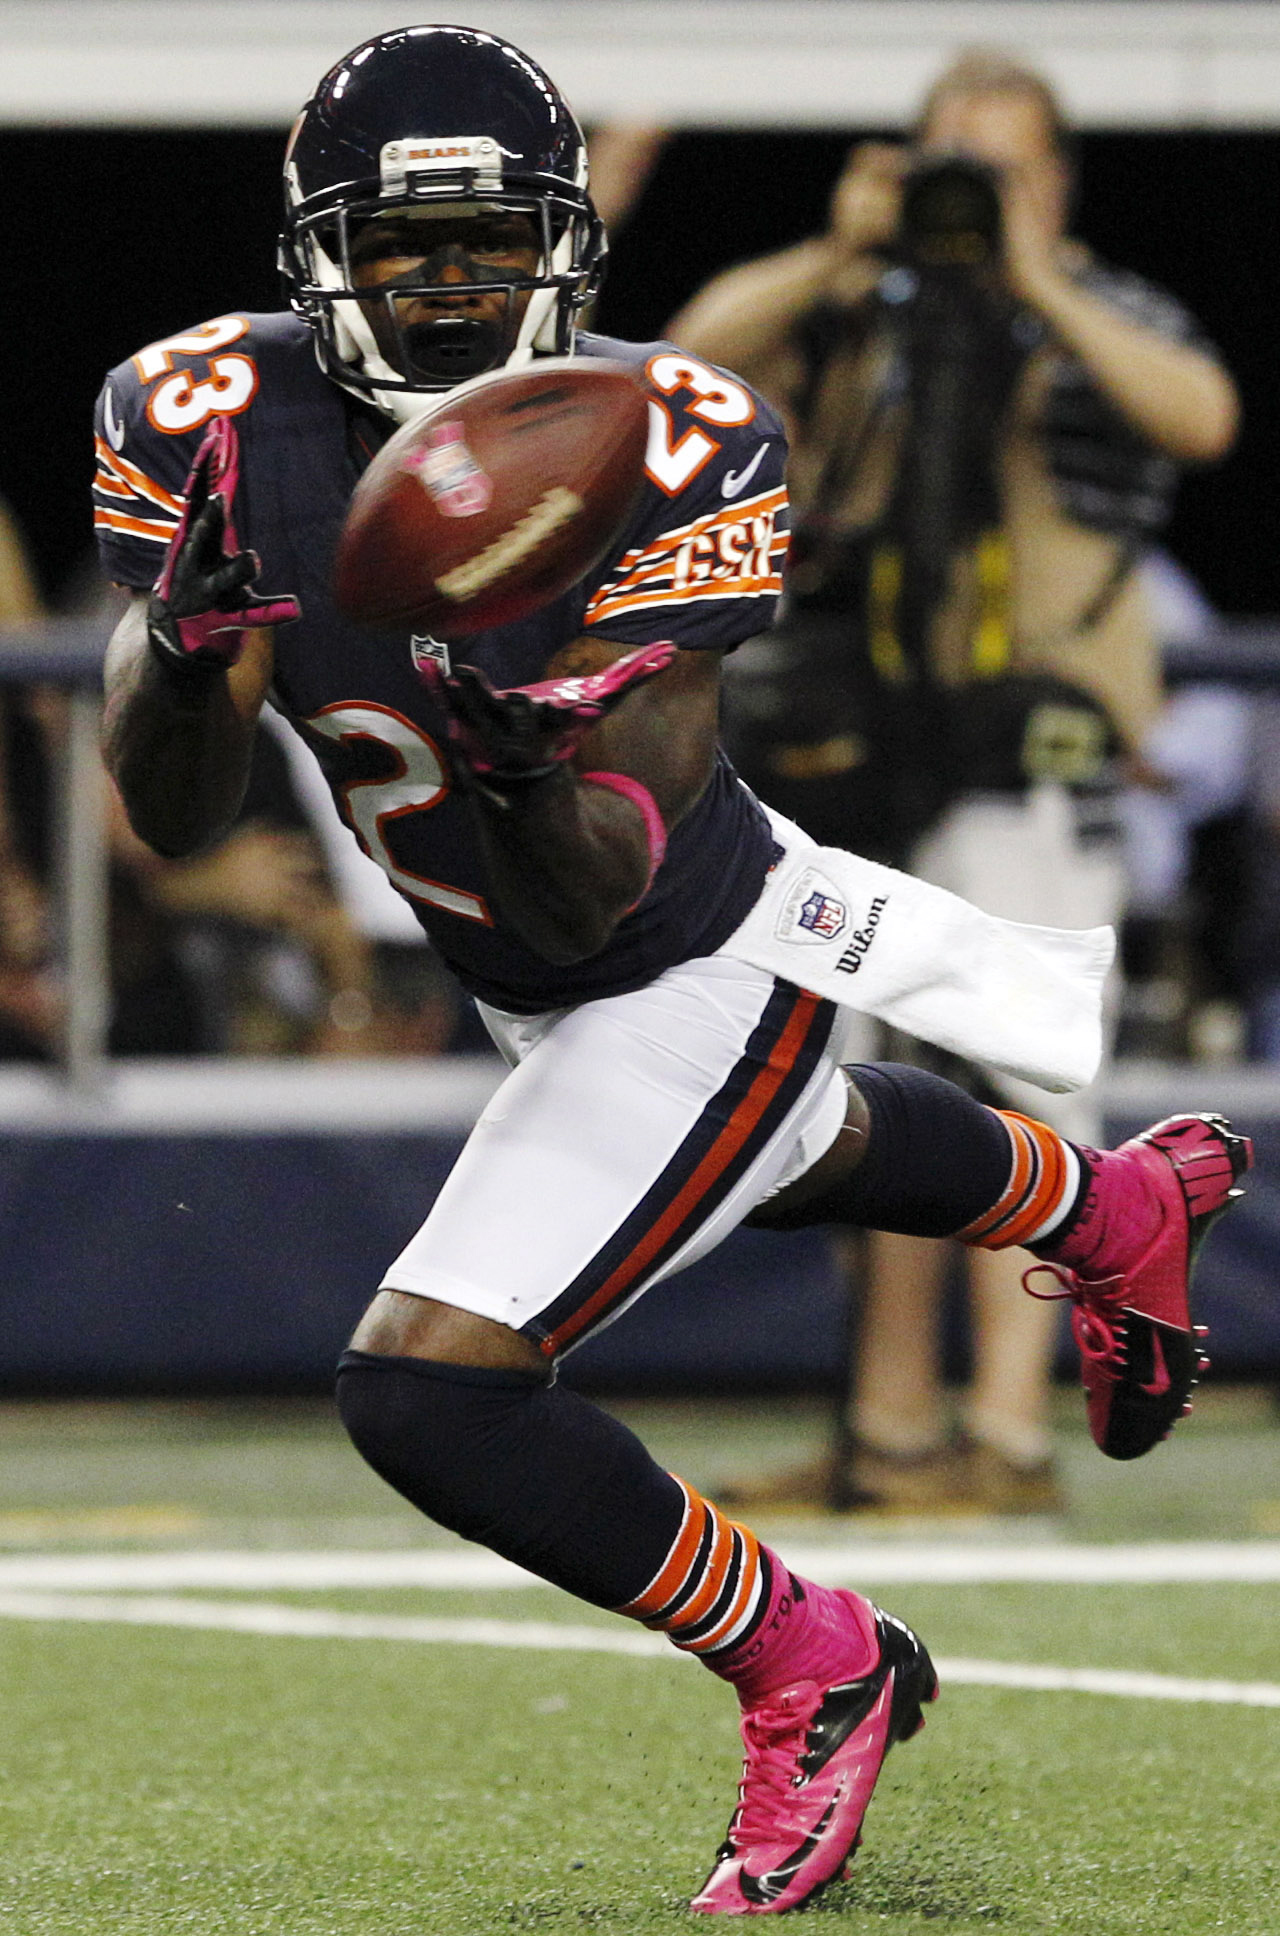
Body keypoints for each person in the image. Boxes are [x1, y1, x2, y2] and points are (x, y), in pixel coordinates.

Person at [95, 25, 1250, 1915]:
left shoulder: (683, 433)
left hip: (681, 942)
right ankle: (1110, 1203)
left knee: (430, 1392)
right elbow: (171, 808)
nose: (458, 283)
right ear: (324, 252)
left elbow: (590, 897)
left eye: (493, 242)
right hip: (547, 964)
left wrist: (521, 747)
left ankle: (813, 1657)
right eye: (412, 245)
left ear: (566, 244)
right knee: (790, 1150)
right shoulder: (195, 409)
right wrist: (176, 641)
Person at [669, 50, 1240, 1514]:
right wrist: (840, 248)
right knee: (862, 1107)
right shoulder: (866, 307)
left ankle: (1007, 1434)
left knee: (1026, 1096)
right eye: (949, 162)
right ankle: (891, 1434)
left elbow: (1201, 417)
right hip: (863, 760)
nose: (968, 195)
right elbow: (697, 358)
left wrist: (1035, 272)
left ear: (1055, 179)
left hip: (1030, 760)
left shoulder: (1102, 306)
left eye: (1001, 166)